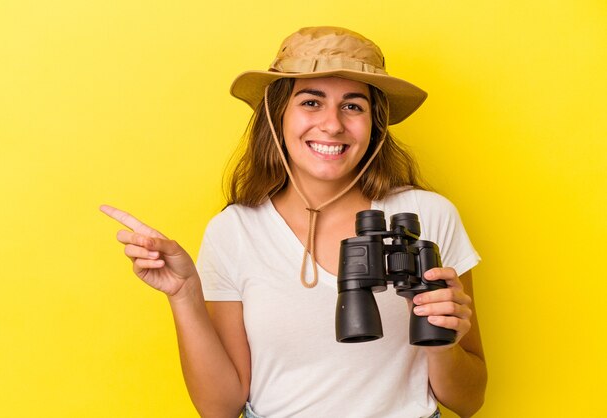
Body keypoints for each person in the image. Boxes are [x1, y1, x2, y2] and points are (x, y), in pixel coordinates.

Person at [101, 26, 487, 418]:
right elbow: (219, 408)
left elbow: (469, 400)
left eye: (353, 106)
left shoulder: (429, 216)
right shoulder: (235, 230)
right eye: (311, 102)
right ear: (278, 113)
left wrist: (441, 342)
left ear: (375, 125)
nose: (333, 124)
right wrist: (184, 294)